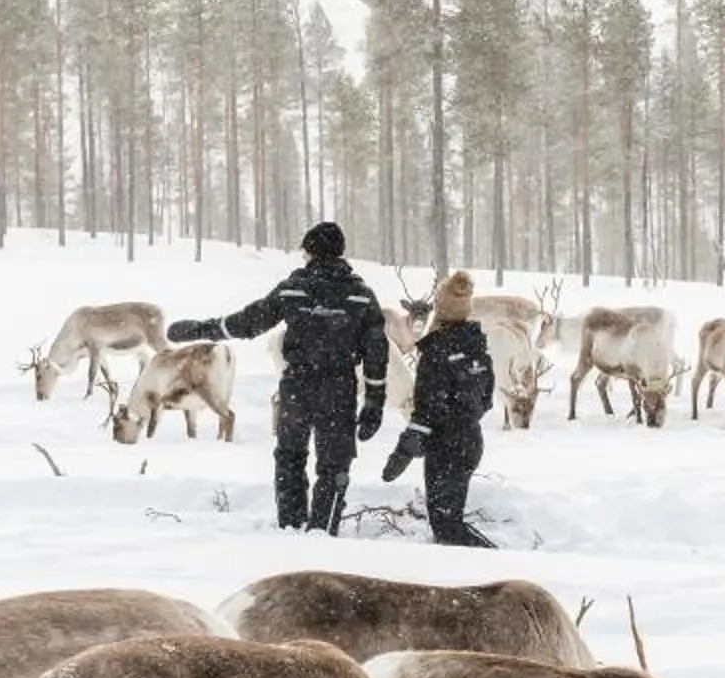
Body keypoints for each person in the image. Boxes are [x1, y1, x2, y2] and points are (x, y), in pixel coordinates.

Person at [166, 221, 387, 534]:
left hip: (297, 385)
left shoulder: (295, 288)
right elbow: (376, 352)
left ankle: (292, 528)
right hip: (338, 388)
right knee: (334, 465)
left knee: (289, 457)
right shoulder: (361, 295)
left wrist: (202, 329)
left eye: (305, 252)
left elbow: (249, 322)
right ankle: (323, 530)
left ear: (311, 251)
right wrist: (375, 401)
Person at [379, 270, 495, 548]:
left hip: (447, 449)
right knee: (449, 522)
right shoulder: (477, 347)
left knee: (447, 527)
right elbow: (486, 400)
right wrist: (463, 416)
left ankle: (494, 564)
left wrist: (404, 450)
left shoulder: (437, 352)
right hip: (471, 442)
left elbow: (428, 408)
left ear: (439, 312)